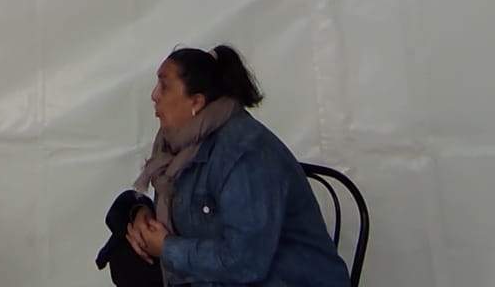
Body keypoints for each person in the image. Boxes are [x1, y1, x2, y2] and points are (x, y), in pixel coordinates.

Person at [97, 44, 347, 287]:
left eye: (164, 86)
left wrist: (167, 247)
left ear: (196, 102)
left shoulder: (246, 154)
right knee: (127, 254)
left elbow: (246, 261)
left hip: (284, 279)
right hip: (223, 276)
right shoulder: (180, 147)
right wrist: (142, 215)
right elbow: (188, 217)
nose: (154, 95)